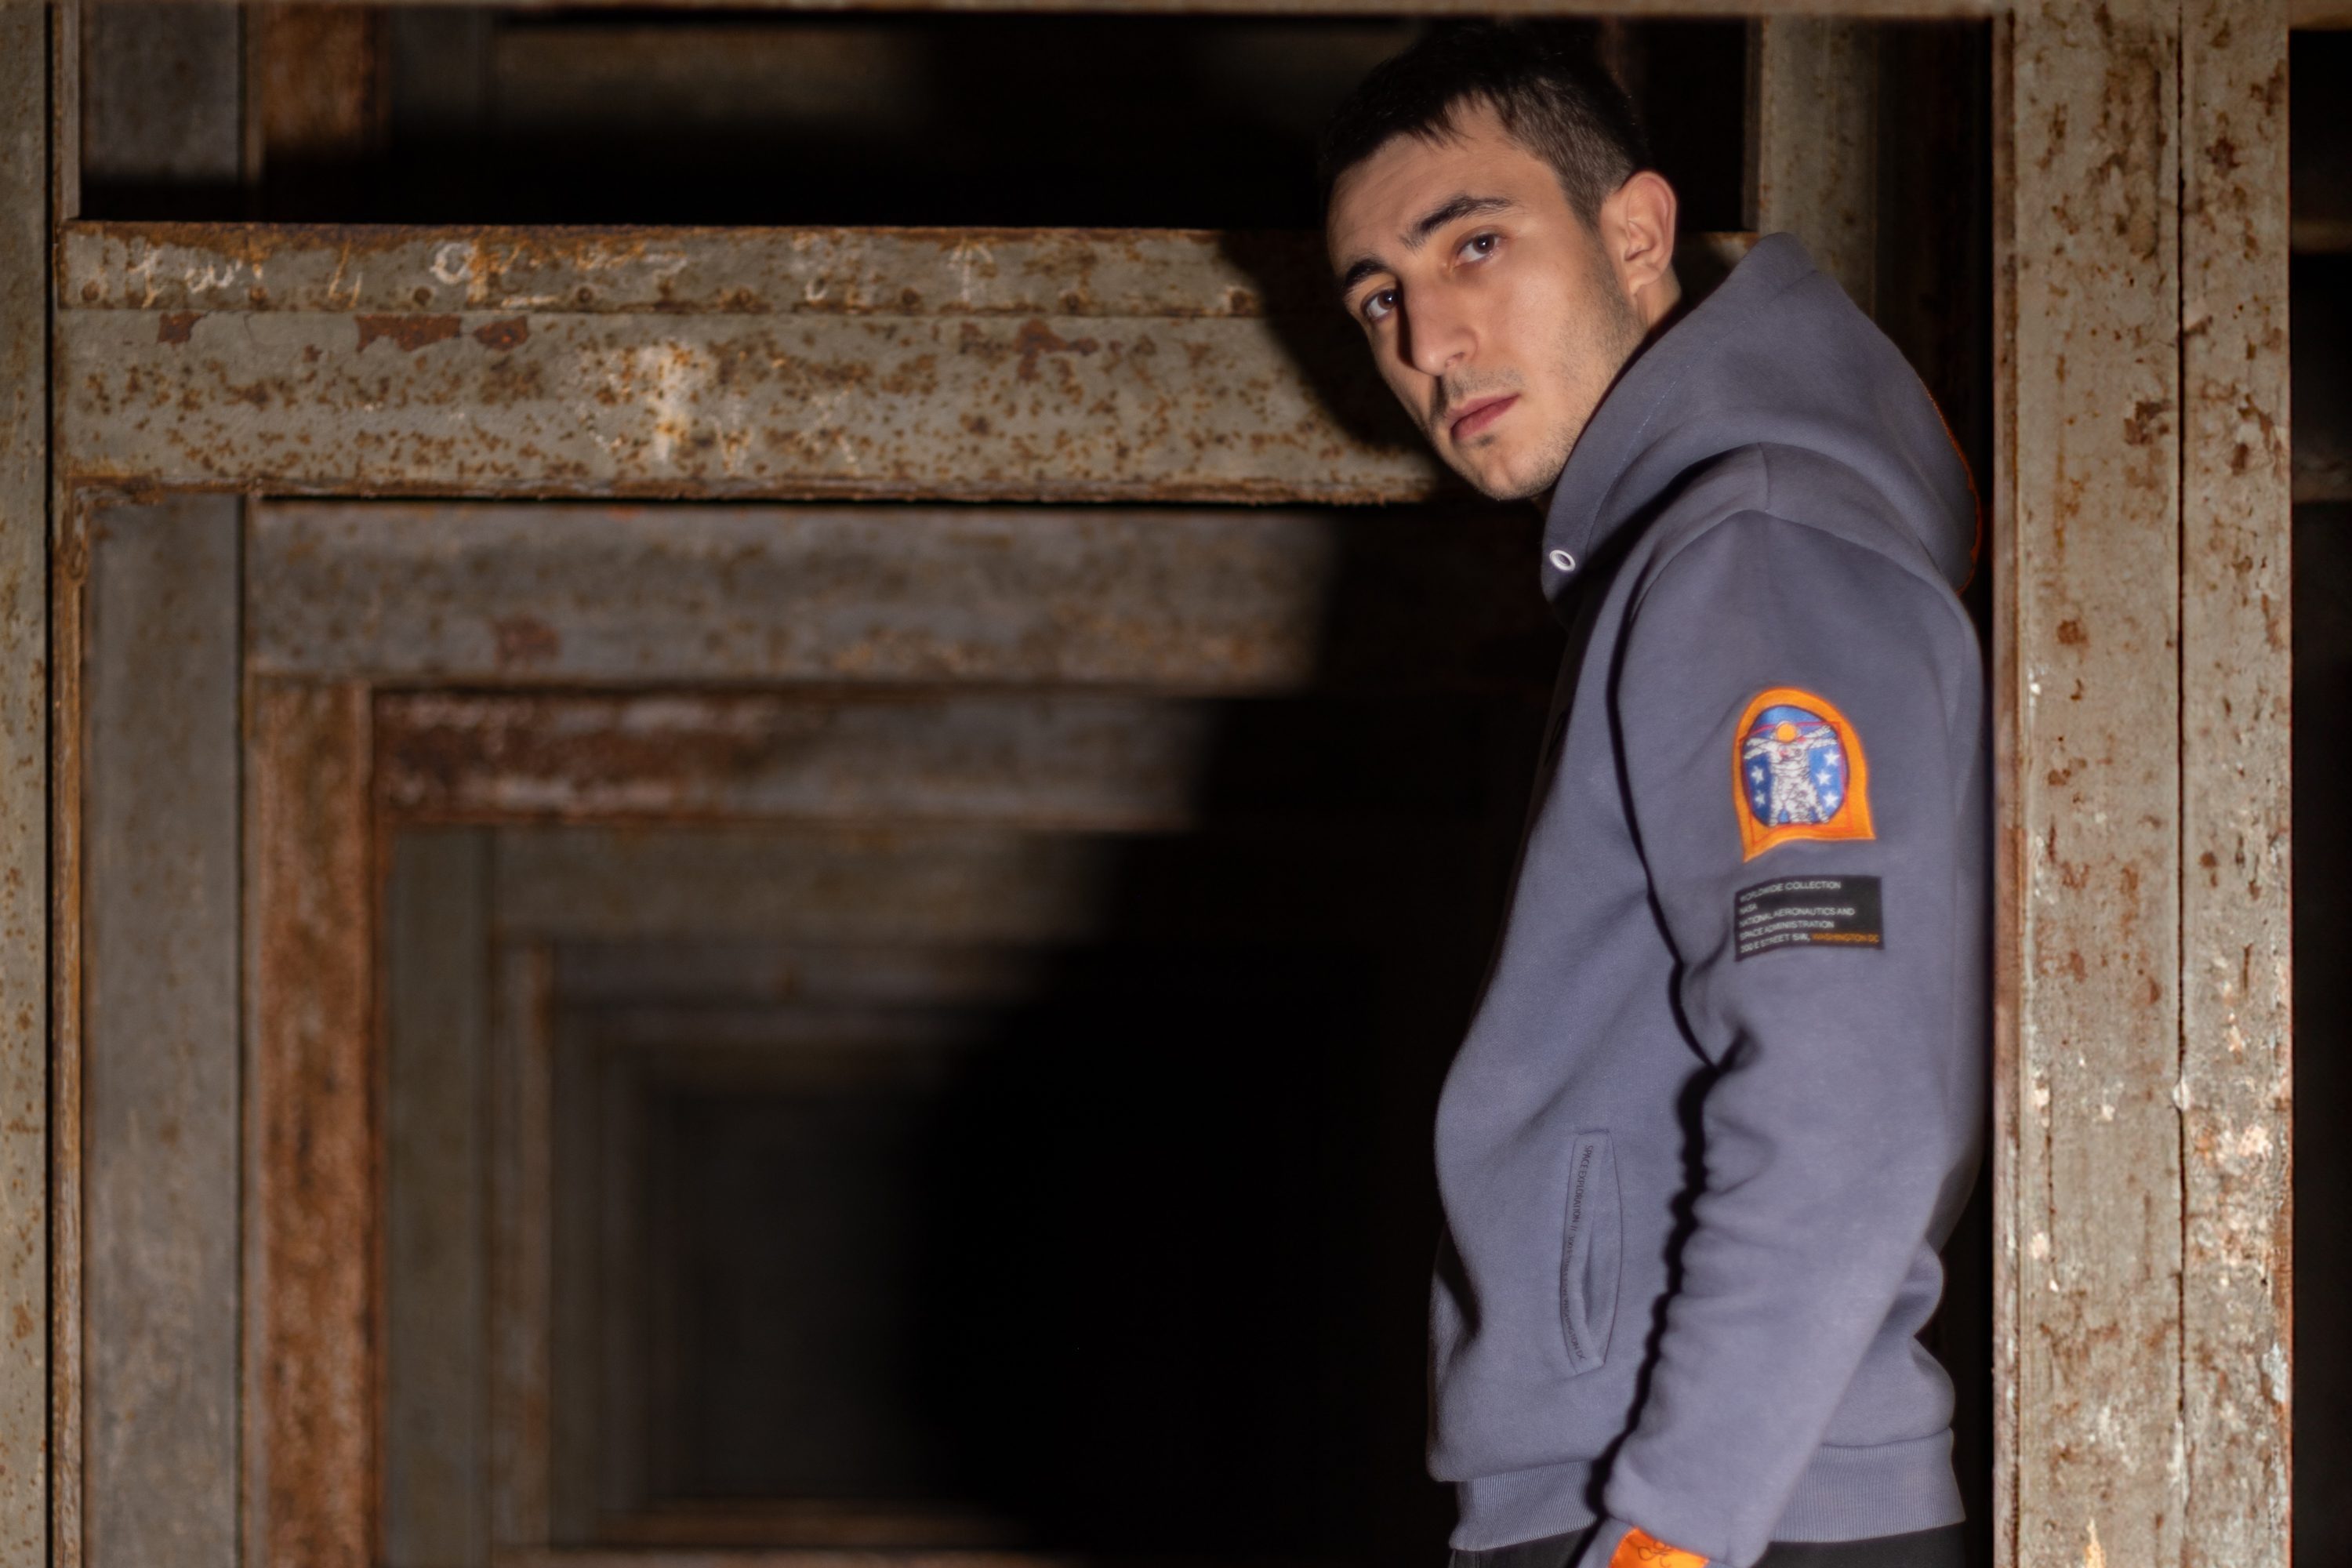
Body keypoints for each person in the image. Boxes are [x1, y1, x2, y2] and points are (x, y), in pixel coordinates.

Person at [1317, 26, 1987, 1568]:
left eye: (1474, 245)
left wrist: (1674, 1530)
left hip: (1713, 1510)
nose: (1431, 339)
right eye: (1379, 299)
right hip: (1677, 1494)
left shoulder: (1750, 550)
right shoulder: (1699, 552)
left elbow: (1846, 1092)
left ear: (1635, 232)